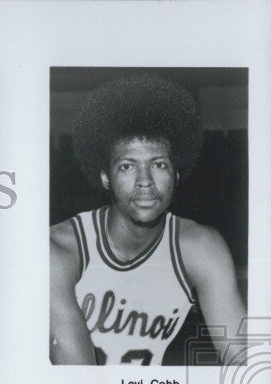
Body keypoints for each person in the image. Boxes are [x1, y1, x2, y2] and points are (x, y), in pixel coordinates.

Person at [50, 74, 246, 365]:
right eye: (127, 166)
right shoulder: (59, 248)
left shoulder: (201, 248)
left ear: (177, 175)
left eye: (159, 164)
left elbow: (245, 362)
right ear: (105, 177)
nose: (145, 181)